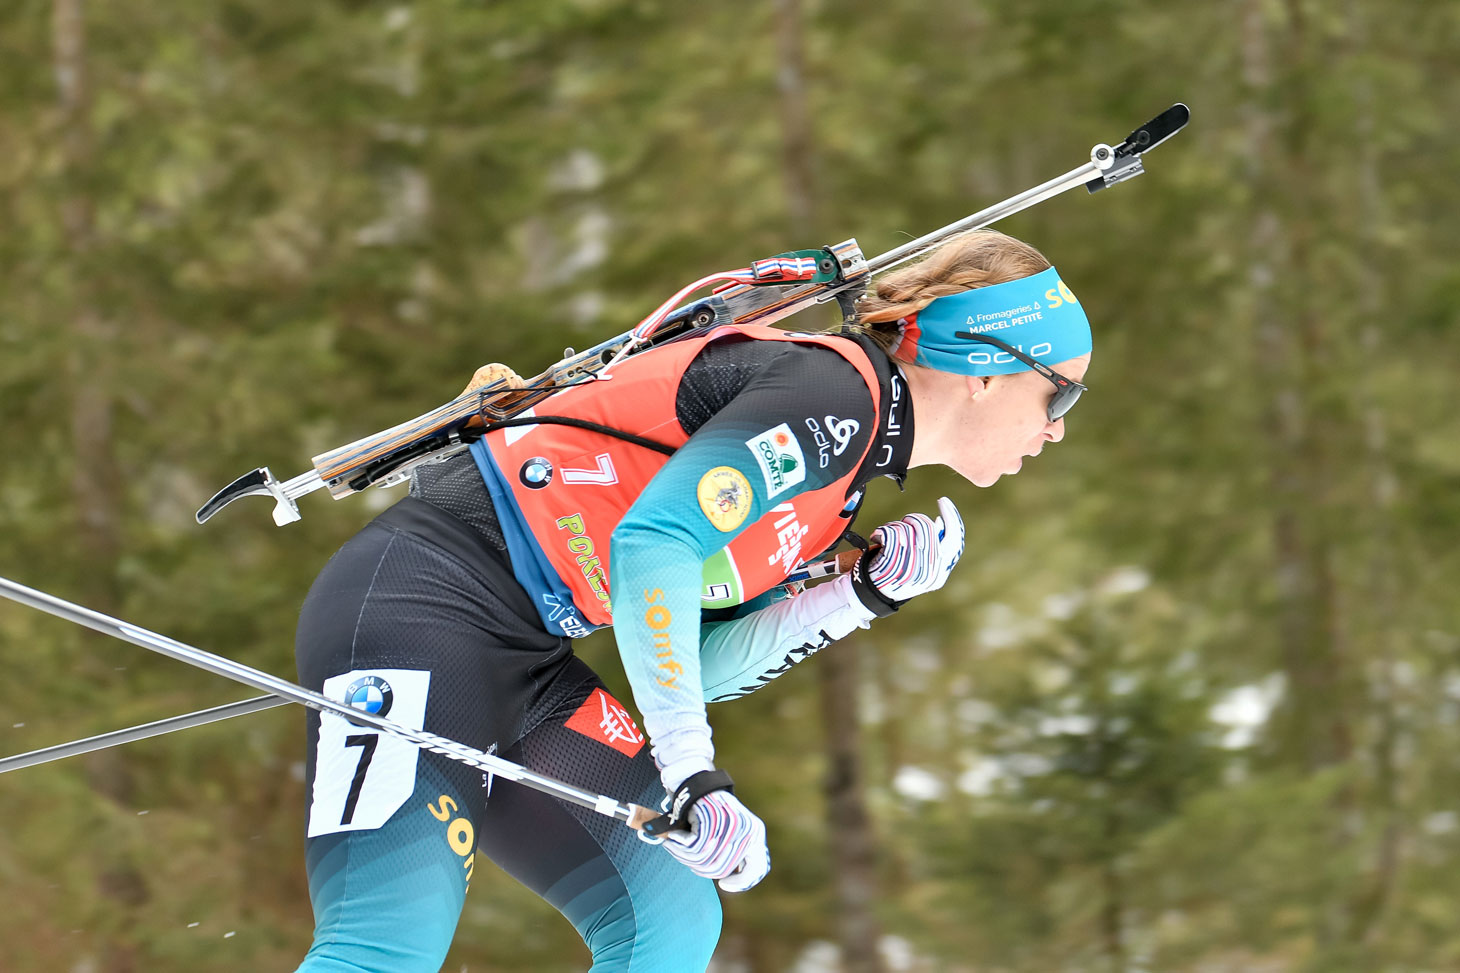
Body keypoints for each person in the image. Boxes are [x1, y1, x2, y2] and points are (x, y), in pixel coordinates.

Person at [292, 228, 1092, 971]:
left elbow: (691, 658)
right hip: (421, 604)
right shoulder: (833, 399)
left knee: (667, 922)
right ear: (986, 371)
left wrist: (859, 594)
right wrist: (690, 770)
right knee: (385, 944)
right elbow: (653, 545)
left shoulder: (840, 484)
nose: (1057, 431)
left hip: (528, 658)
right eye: (1059, 396)